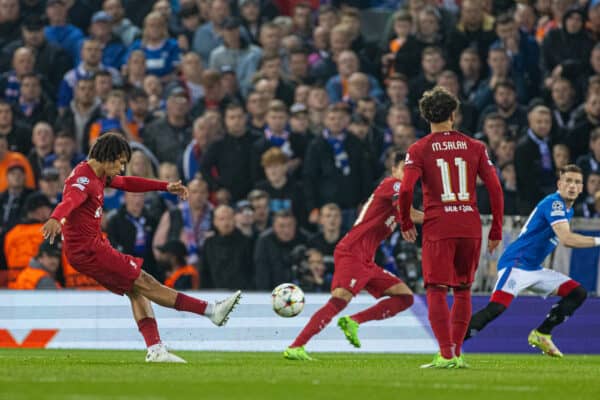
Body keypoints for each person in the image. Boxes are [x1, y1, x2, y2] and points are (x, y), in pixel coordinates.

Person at [42, 133, 241, 363]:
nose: (122, 167)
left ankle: (155, 350)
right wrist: (56, 218)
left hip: (90, 247)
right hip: (89, 250)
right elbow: (70, 201)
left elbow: (127, 183)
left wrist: (165, 186)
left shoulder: (97, 173)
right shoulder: (84, 181)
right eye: (120, 161)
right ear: (108, 157)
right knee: (146, 282)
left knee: (136, 289)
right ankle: (210, 311)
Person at [398, 87, 504, 368]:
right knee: (463, 290)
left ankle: (445, 353)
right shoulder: (476, 147)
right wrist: (495, 229)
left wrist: (406, 221)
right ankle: (457, 352)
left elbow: (406, 189)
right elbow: (495, 189)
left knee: (435, 289)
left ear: (425, 117)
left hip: (438, 225)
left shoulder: (418, 149)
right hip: (469, 224)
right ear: (454, 114)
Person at [283, 151, 423, 361]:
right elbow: (411, 214)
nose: (408, 175)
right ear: (394, 170)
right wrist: (445, 218)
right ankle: (296, 346)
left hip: (366, 259)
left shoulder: (401, 197)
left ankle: (354, 321)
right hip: (353, 252)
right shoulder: (393, 184)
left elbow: (410, 214)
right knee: (340, 299)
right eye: (405, 169)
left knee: (404, 297)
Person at [465, 164, 590, 358]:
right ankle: (449, 345)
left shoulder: (568, 210)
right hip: (516, 263)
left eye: (576, 182)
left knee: (577, 293)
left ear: (582, 188)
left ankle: (542, 333)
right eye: (568, 181)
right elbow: (567, 239)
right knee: (496, 308)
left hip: (534, 268)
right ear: (559, 184)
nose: (572, 186)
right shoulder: (554, 203)